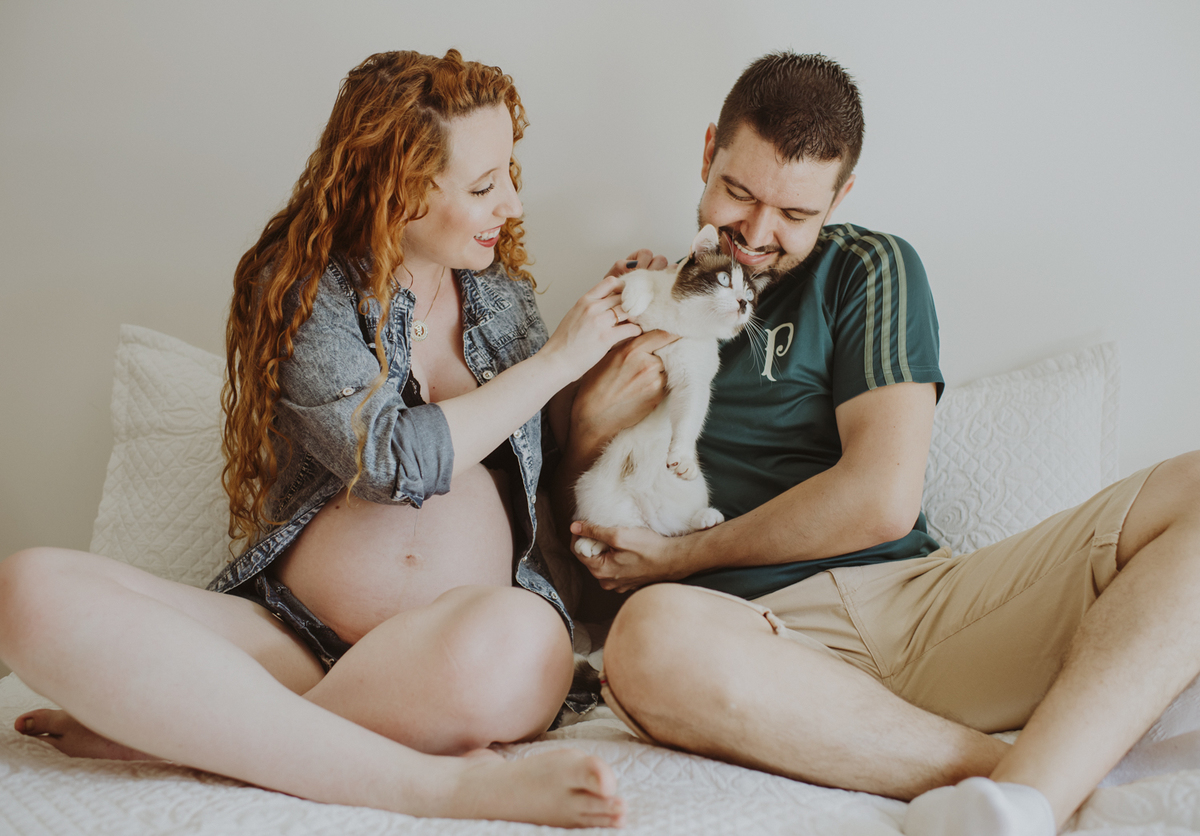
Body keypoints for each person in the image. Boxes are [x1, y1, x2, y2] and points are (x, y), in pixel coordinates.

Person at [0, 49, 645, 828]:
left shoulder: (504, 299)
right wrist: (556, 362)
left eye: (511, 172)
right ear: (399, 191)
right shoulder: (307, 288)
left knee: (514, 642)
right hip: (291, 638)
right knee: (28, 588)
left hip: (462, 649)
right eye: (483, 186)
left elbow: (541, 458)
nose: (510, 203)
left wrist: (606, 355)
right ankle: (408, 771)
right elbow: (388, 460)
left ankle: (204, 725)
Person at [563, 51, 1200, 836]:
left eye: (795, 215)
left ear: (840, 197)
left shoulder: (867, 268)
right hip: (747, 644)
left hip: (917, 610)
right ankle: (1031, 788)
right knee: (644, 642)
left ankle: (1030, 792)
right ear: (708, 154)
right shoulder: (641, 300)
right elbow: (588, 569)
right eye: (738, 192)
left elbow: (881, 501)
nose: (756, 235)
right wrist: (588, 422)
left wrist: (682, 557)